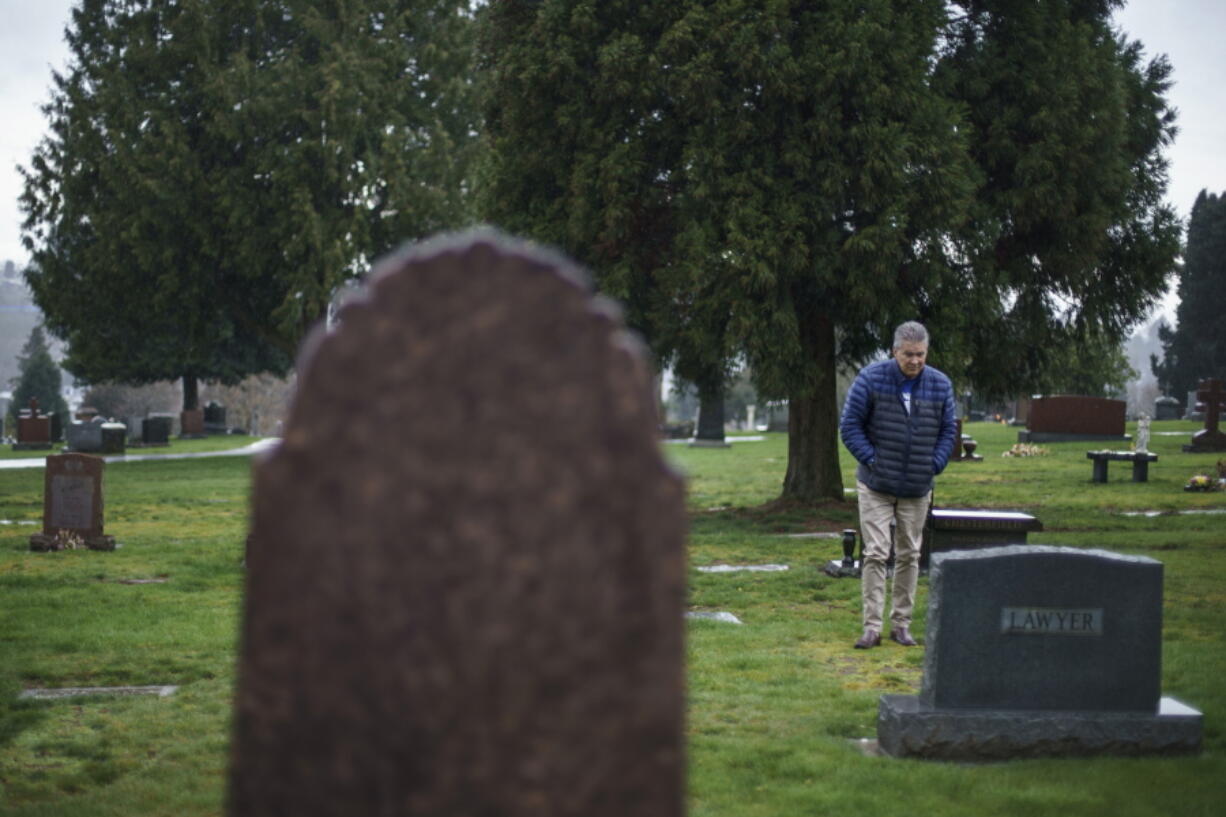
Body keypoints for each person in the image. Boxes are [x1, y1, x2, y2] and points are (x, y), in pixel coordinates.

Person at [839, 321, 956, 649]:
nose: (915, 361)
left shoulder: (940, 384)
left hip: (918, 485)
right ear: (894, 352)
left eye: (920, 355)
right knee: (876, 552)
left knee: (910, 553)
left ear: (927, 352)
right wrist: (873, 460)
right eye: (908, 354)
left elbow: (948, 430)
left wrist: (935, 464)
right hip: (876, 483)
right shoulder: (871, 378)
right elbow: (849, 426)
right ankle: (872, 627)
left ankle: (901, 625)